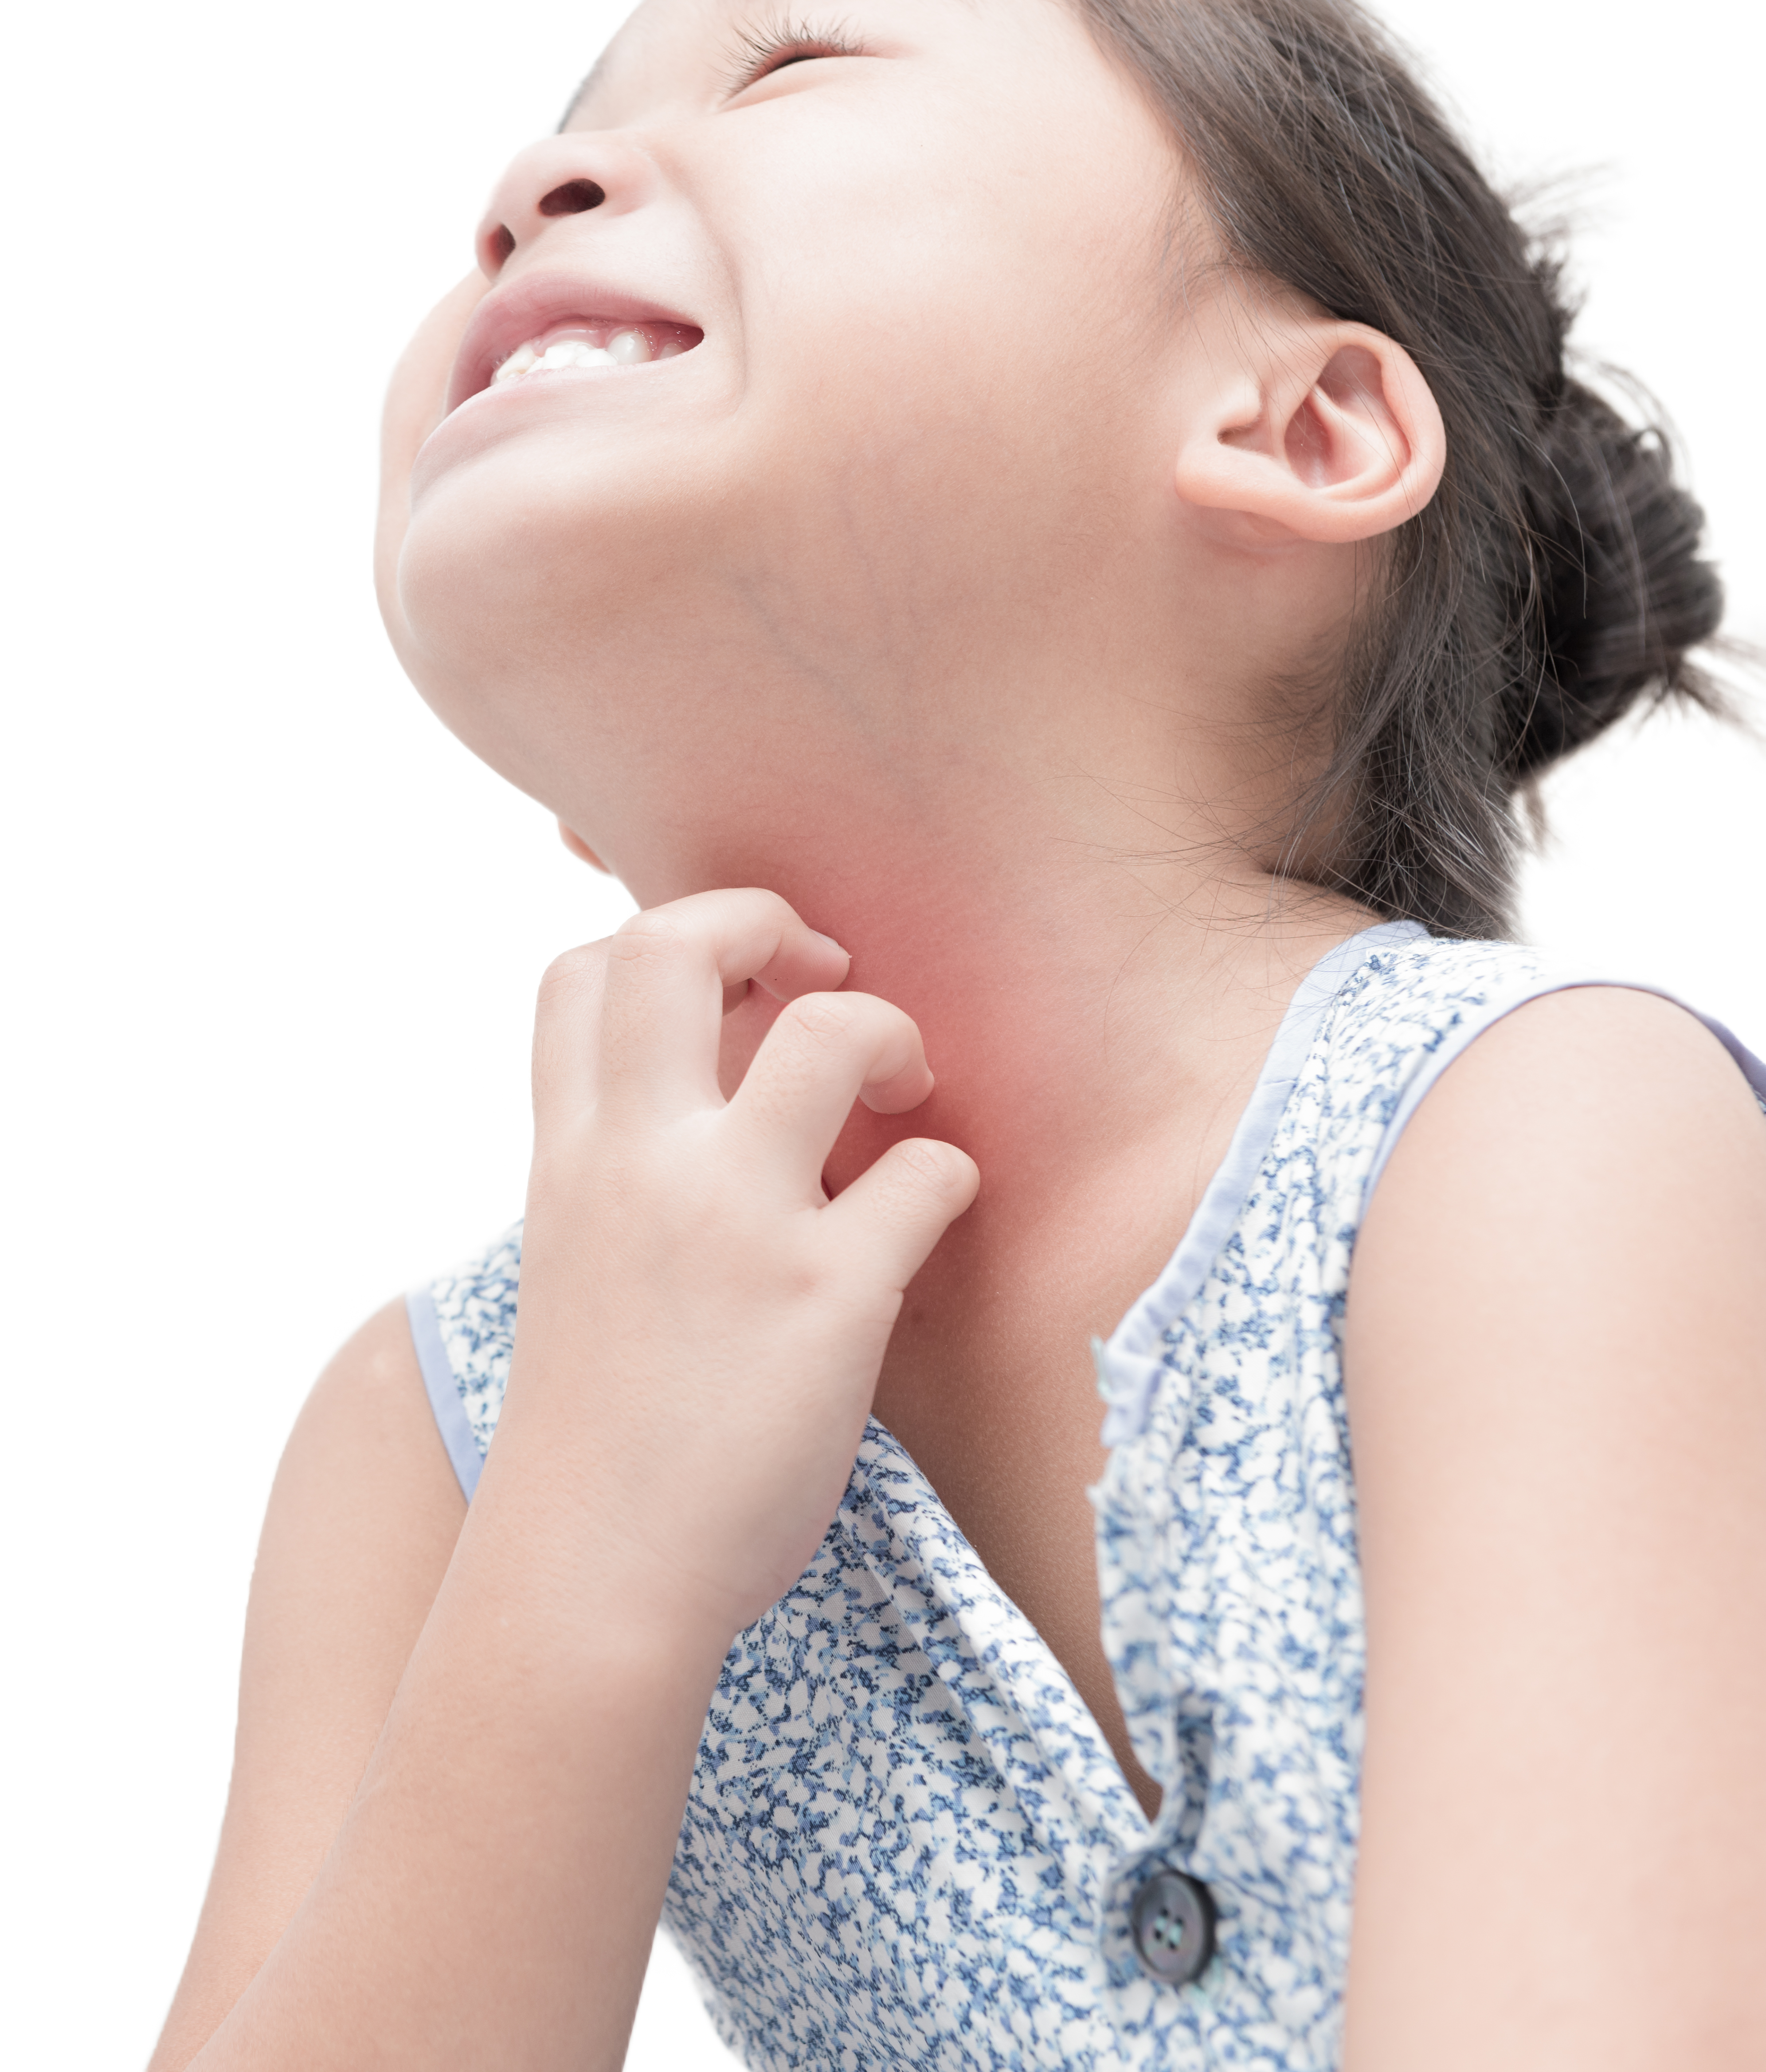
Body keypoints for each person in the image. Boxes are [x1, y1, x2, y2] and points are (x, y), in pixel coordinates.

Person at [143, 1, 1766, 2066]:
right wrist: (586, 1549)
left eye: (792, 64)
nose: (520, 197)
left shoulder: (1531, 1138)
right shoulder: (431, 1443)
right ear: (563, 807)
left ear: (1304, 432)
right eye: (556, 139)